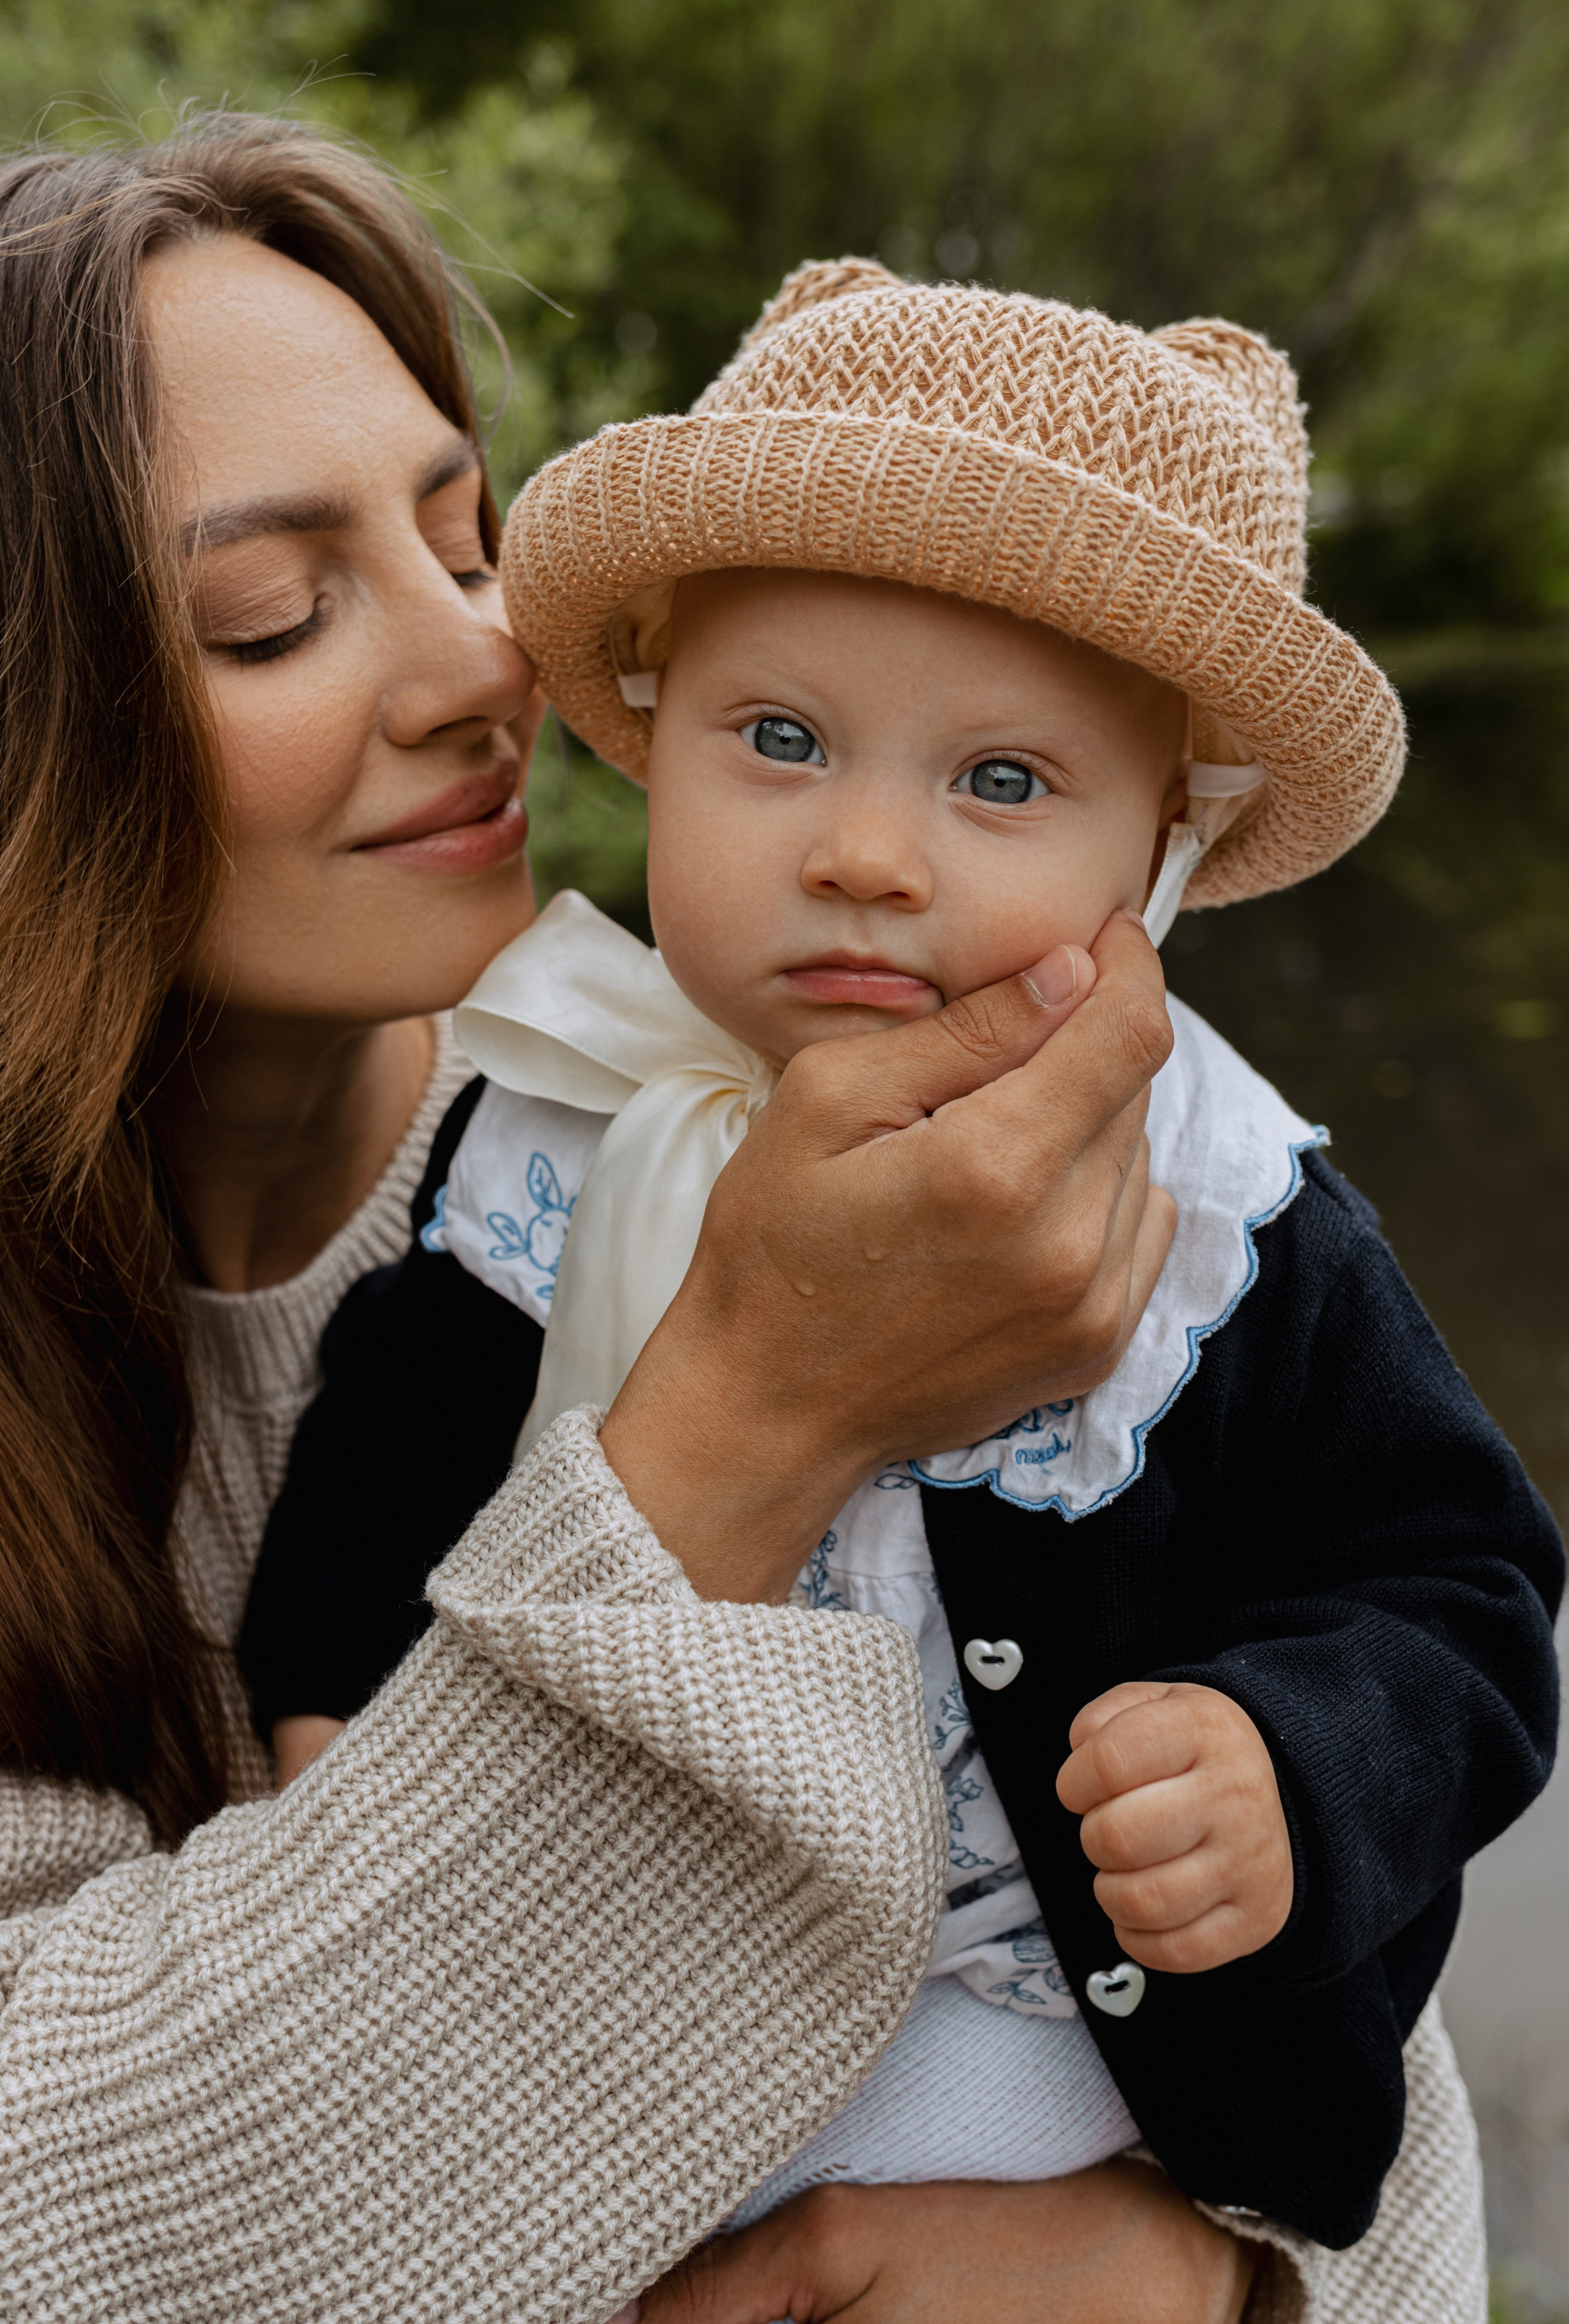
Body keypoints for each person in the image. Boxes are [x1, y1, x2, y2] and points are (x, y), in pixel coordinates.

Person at [0, 112, 1299, 2322]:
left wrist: (1205, 2276)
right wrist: (751, 1412)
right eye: (274, 612)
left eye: (464, 535)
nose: (487, 670)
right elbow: (71, 2218)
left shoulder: (781, 1122)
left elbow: (1363, 2065)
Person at [243, 260, 1561, 2319]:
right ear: (656, 737)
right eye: (781, 740)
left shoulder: (1228, 1220)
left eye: (1004, 785)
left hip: (1061, 2058)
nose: (865, 851)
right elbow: (392, 1445)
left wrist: (1292, 1763)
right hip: (623, 2041)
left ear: (1164, 860)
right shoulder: (566, 1121)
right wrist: (333, 1719)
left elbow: (1461, 1582)